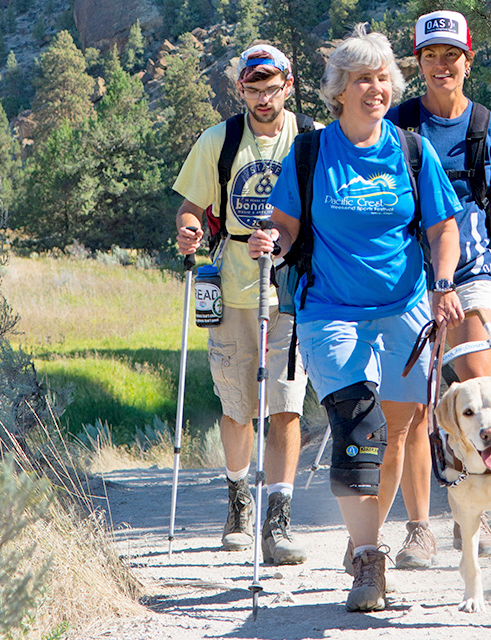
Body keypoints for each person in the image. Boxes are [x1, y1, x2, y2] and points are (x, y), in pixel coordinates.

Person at [248, 25, 464, 612]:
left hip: (406, 311)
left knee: (394, 436)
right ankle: (371, 560)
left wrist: (443, 285)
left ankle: (359, 538)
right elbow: (288, 224)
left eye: (383, 78)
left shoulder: (412, 151)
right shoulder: (312, 151)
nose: (376, 88)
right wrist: (272, 237)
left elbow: (443, 228)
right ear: (339, 89)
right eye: (363, 79)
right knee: (358, 429)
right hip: (331, 312)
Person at [381, 10, 491, 568]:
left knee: (477, 389)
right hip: (407, 271)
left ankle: (479, 513)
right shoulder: (396, 125)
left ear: (468, 59)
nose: (442, 65)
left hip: (472, 271)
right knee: (416, 405)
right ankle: (420, 528)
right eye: (431, 56)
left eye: (451, 55)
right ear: (418, 63)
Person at [173, 44, 318, 566]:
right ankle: (239, 501)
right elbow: (191, 209)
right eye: (253, 89)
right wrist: (189, 232)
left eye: (271, 87)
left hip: (291, 288)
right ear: (241, 90)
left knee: (285, 404)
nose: (263, 98)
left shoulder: (310, 140)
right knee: (237, 406)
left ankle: (277, 518)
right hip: (233, 285)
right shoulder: (220, 140)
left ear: (289, 83)